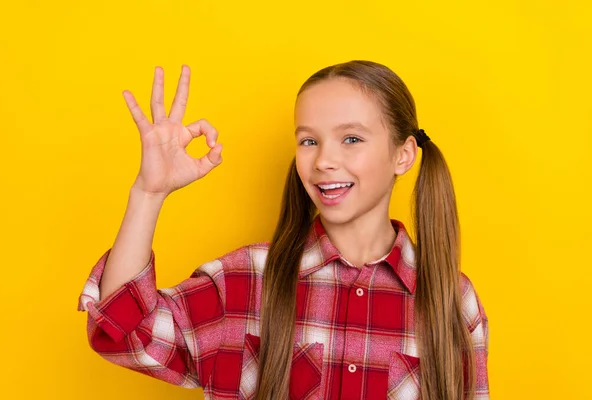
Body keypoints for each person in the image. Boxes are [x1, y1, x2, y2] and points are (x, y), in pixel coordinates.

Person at [78, 61, 489, 400]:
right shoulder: (246, 279)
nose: (324, 160)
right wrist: (148, 194)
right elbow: (124, 333)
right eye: (308, 141)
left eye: (350, 138)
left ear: (403, 155)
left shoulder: (452, 303)